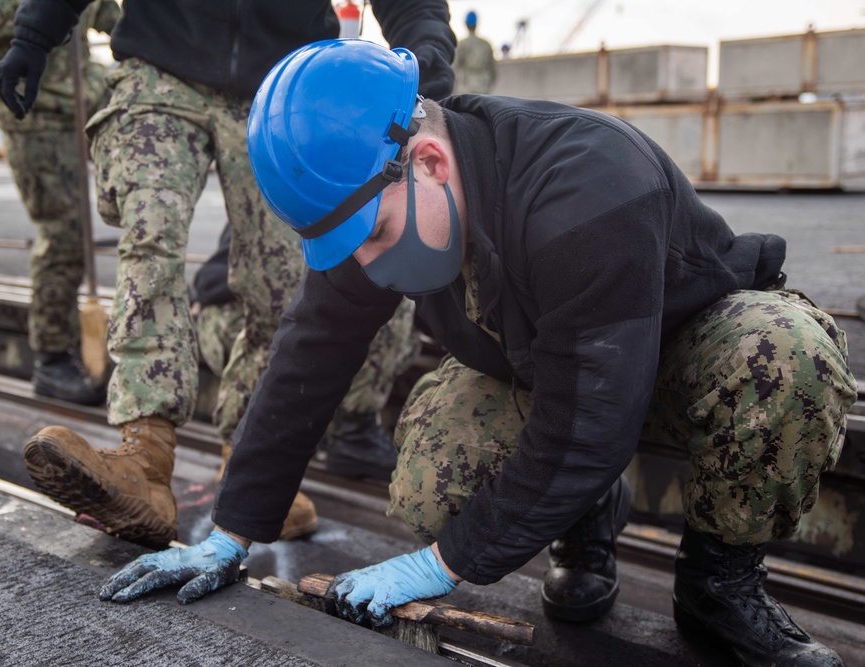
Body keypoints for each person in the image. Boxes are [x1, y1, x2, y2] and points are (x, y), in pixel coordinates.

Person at [99, 40, 856, 667]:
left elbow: (589, 423)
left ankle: (718, 582)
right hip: (563, 367)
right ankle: (584, 520)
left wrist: (438, 566)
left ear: (426, 159)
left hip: (682, 346)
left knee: (785, 355)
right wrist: (229, 532)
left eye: (375, 236)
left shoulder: (588, 181)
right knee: (433, 467)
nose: (365, 263)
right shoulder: (379, 193)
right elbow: (310, 353)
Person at [0, 0, 456, 548]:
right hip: (161, 61)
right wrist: (35, 32)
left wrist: (429, 51)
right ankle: (145, 455)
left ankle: (247, 465)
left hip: (287, 86)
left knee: (284, 283)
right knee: (151, 237)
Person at [192, 226, 418, 482]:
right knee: (292, 330)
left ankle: (353, 432)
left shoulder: (349, 213)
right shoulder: (279, 208)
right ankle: (255, 444)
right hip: (234, 319)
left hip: (284, 316)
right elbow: (212, 281)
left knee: (389, 310)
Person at [0, 0, 119, 406]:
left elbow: (113, 18)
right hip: (33, 112)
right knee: (64, 236)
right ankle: (51, 357)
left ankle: (71, 348)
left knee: (86, 231)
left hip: (81, 108)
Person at [452, 10, 496, 94]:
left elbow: (455, 67)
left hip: (465, 87)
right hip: (482, 86)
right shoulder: (486, 44)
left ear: (466, 24)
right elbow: (493, 70)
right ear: (476, 24)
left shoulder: (462, 44)